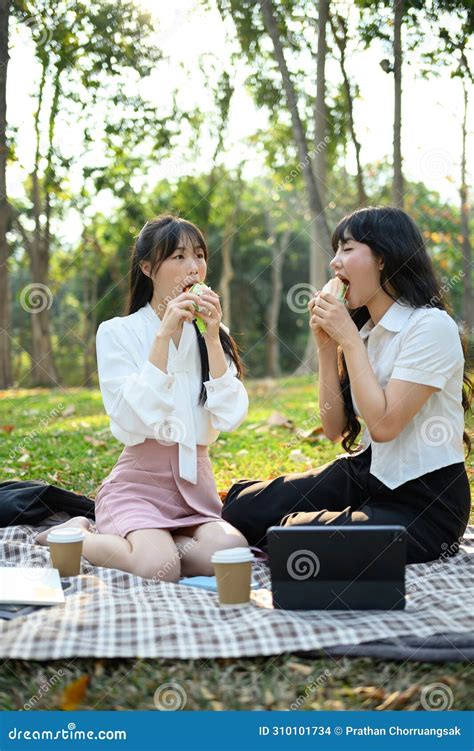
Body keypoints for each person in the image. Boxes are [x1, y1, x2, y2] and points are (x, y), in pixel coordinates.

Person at [222, 206, 472, 564]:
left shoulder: (430, 327)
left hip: (423, 503)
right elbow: (334, 428)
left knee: (296, 543)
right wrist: (327, 347)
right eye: (336, 250)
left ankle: (299, 532)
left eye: (347, 248)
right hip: (366, 473)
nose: (334, 263)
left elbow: (385, 425)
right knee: (242, 511)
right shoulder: (366, 331)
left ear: (383, 258)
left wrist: (349, 341)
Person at [36, 214, 249, 580]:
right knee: (156, 567)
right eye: (178, 257)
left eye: (199, 256)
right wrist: (164, 336)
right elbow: (131, 417)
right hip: (139, 485)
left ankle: (162, 545)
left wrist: (213, 338)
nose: (193, 268)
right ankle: (72, 535)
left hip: (196, 487)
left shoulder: (214, 334)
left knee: (231, 552)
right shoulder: (117, 332)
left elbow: (231, 415)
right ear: (148, 268)